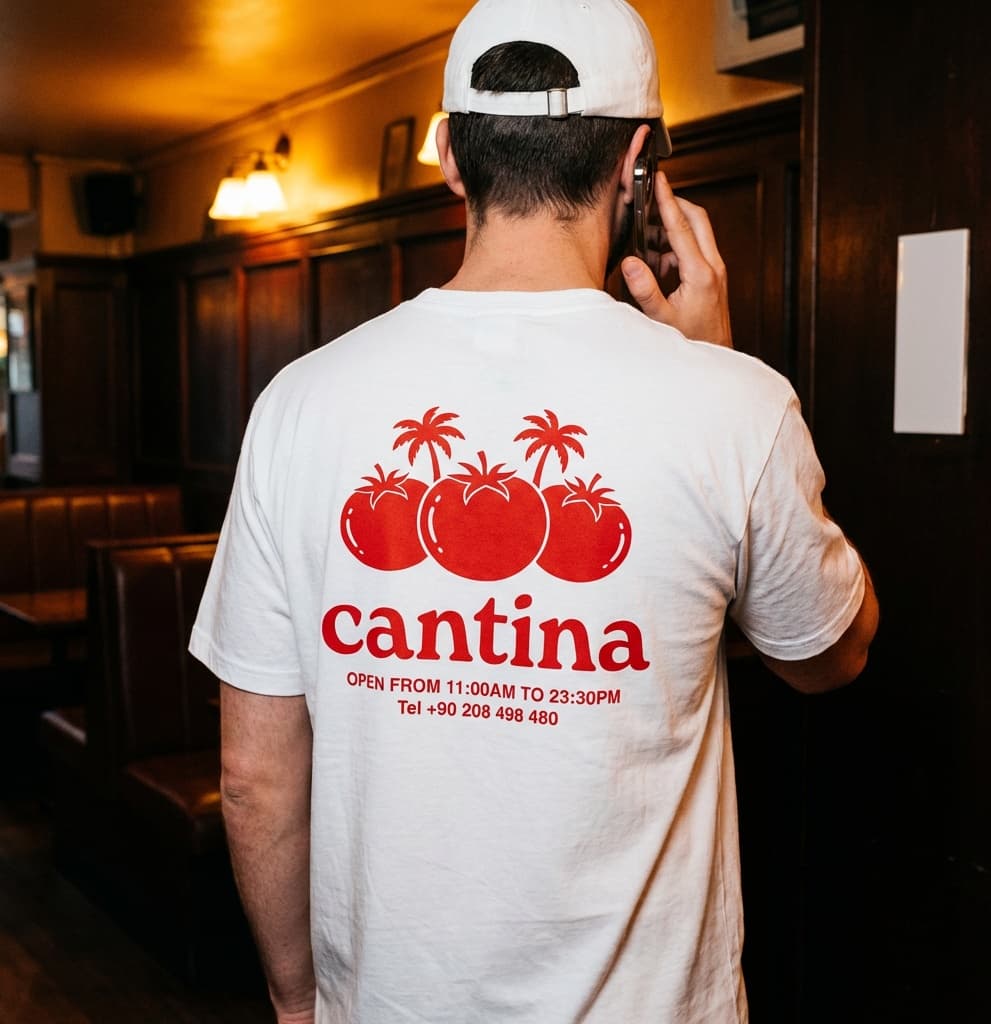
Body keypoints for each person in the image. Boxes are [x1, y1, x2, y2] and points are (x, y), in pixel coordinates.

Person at [189, 1, 879, 1021]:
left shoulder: (299, 402)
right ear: (635, 161)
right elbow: (828, 652)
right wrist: (716, 364)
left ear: (452, 161)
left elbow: (251, 772)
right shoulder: (733, 402)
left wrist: (297, 1003)